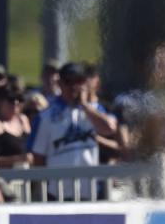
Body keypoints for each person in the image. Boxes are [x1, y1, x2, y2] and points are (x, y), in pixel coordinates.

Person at [31, 62, 117, 199]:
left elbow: (110, 128)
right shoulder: (46, 116)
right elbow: (38, 157)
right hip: (58, 193)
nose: (74, 87)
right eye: (68, 82)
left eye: (79, 81)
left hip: (90, 193)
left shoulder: (94, 110)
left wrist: (84, 105)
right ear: (60, 83)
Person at [0, 85, 33, 168]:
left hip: (29, 174)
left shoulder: (23, 120)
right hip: (8, 175)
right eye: (11, 99)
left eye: (20, 99)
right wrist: (20, 159)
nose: (16, 103)